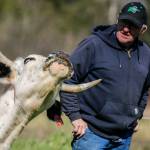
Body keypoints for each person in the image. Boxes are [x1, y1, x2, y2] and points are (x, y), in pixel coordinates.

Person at [60, 2, 150, 150]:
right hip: (92, 135)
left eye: (132, 25)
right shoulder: (94, 44)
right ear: (117, 20)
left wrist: (136, 114)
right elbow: (67, 79)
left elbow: (145, 89)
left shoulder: (146, 54)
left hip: (124, 138)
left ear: (143, 29)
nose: (125, 29)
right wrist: (75, 117)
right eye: (123, 22)